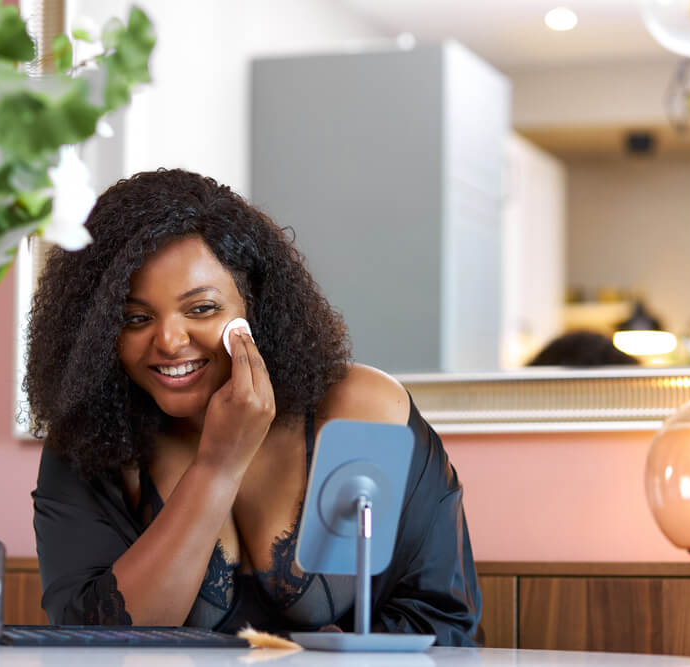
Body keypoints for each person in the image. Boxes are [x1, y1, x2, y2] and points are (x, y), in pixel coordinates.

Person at [24, 169, 481, 645]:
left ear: (253, 306)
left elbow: (444, 624)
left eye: (201, 309)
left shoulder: (361, 413)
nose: (169, 340)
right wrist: (219, 465)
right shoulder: (91, 440)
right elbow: (94, 642)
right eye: (136, 318)